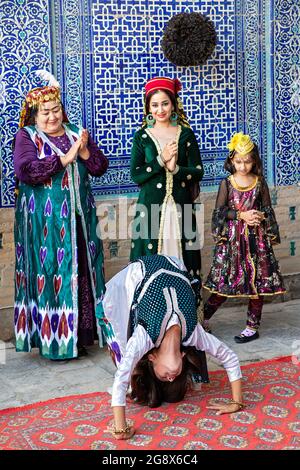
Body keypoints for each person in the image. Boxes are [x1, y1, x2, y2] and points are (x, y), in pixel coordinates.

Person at [13, 71, 109, 360]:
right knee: (54, 274)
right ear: (34, 114)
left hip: (79, 221)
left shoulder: (75, 133)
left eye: (56, 110)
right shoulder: (26, 137)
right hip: (46, 227)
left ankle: (81, 336)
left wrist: (82, 154)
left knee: (80, 272)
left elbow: (99, 167)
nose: (52, 117)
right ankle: (53, 341)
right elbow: (25, 170)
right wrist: (64, 159)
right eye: (45, 112)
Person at [100, 254, 244, 440]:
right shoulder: (193, 333)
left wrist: (121, 430)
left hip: (138, 274)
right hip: (171, 265)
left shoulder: (144, 337)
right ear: (183, 356)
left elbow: (121, 378)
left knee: (118, 331)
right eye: (172, 379)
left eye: (162, 377)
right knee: (121, 341)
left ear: (152, 359)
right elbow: (229, 357)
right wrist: (237, 402)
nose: (170, 378)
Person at [203, 132, 285, 343]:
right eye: (238, 161)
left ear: (254, 160)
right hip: (233, 243)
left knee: (257, 284)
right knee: (225, 283)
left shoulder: (259, 183)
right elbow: (219, 213)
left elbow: (267, 208)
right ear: (231, 160)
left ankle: (252, 326)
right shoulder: (227, 184)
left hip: (256, 242)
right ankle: (203, 319)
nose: (243, 166)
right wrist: (241, 215)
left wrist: (260, 216)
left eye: (248, 161)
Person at [130, 77, 203, 283]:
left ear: (173, 105)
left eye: (165, 103)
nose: (160, 110)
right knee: (153, 260)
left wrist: (176, 169)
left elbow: (198, 172)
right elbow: (136, 174)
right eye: (154, 105)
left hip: (181, 207)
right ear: (148, 107)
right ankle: (153, 312)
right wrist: (160, 160)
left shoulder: (186, 135)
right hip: (150, 208)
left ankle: (185, 312)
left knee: (183, 257)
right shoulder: (142, 136)